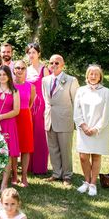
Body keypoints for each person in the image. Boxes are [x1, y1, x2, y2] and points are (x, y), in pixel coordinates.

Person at [74, 65, 109, 197]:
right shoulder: (81, 91)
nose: (93, 76)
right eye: (91, 73)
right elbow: (77, 110)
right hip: (83, 129)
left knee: (96, 156)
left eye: (96, 74)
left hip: (99, 131)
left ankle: (92, 184)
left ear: (100, 76)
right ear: (87, 75)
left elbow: (106, 114)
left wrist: (96, 128)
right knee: (83, 156)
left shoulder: (106, 92)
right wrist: (83, 126)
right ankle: (86, 181)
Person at [42, 54, 79, 185]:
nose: (54, 65)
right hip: (49, 119)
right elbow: (47, 100)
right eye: (51, 63)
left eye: (57, 63)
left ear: (62, 65)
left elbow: (76, 101)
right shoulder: (45, 80)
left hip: (65, 119)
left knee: (65, 148)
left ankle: (67, 175)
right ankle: (56, 173)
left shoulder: (71, 80)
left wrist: (76, 120)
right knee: (53, 148)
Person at [25, 43, 50, 174]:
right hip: (28, 104)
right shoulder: (26, 69)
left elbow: (48, 89)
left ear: (39, 54)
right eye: (29, 52)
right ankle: (28, 166)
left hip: (41, 105)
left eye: (34, 52)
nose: (31, 55)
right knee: (29, 134)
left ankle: (40, 166)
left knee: (40, 135)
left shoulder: (44, 69)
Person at [12, 60, 35, 187]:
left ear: (26, 70)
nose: (19, 70)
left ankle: (24, 176)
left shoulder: (31, 87)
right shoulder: (10, 85)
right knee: (14, 148)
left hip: (25, 117)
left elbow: (30, 103)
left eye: (22, 68)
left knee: (26, 148)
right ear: (14, 70)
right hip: (13, 117)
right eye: (17, 68)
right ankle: (14, 174)